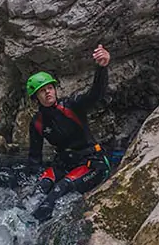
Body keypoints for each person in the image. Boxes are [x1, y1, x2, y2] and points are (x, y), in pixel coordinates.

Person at [27, 44, 111, 223]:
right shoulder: (37, 123)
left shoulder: (72, 105)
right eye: (42, 91)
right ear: (36, 98)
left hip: (91, 164)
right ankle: (18, 219)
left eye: (50, 88)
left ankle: (31, 229)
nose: (47, 92)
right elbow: (34, 159)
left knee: (58, 191)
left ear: (55, 89)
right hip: (64, 164)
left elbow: (95, 94)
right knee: (39, 190)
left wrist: (102, 68)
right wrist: (37, 176)